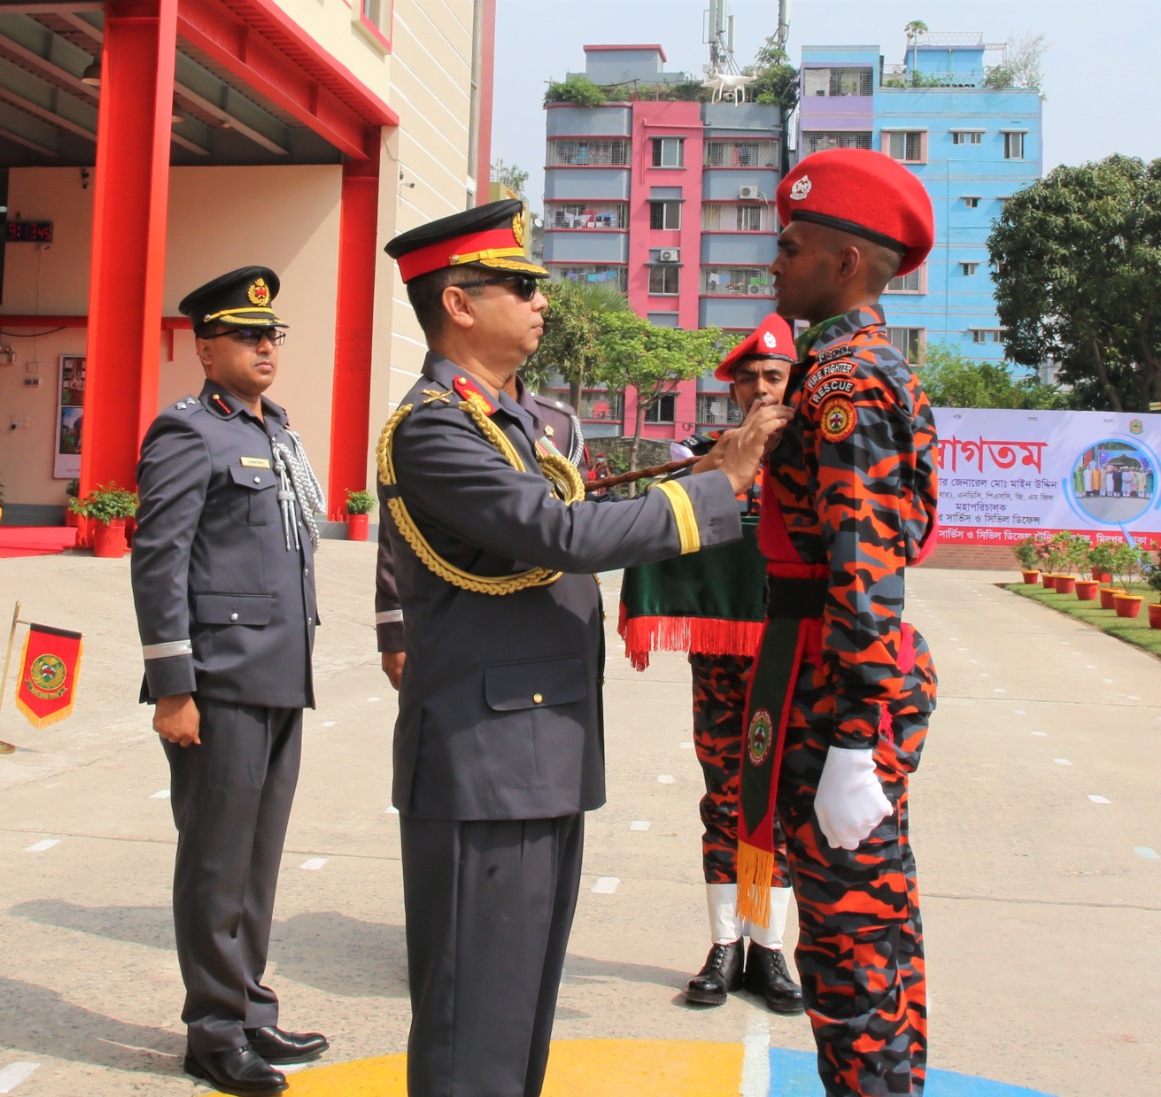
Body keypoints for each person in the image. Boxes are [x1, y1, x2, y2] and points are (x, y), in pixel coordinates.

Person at [379, 199, 791, 1097]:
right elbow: (558, 533)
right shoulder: (436, 426)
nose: (541, 301)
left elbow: (571, 515)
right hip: (487, 760)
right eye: (520, 286)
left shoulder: (506, 421)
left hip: (534, 750)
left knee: (518, 1017)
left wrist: (699, 477)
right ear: (459, 303)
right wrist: (720, 485)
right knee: (474, 1029)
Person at [753, 148, 940, 1097]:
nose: (776, 261)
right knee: (876, 932)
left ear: (847, 262)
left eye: (793, 247)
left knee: (851, 951)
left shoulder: (844, 385)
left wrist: (859, 736)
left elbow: (864, 564)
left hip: (839, 687)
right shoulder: (846, 369)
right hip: (835, 675)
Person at [131, 266, 328, 1097]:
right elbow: (159, 558)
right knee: (217, 861)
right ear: (205, 348)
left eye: (271, 334)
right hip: (218, 682)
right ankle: (213, 1030)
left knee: (257, 859)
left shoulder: (276, 430)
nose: (264, 347)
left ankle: (249, 1005)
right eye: (246, 335)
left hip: (280, 674)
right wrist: (172, 686)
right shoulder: (188, 432)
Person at [619, 315, 805, 1014]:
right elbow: (667, 522)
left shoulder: (818, 459)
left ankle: (770, 945)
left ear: (793, 383)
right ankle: (726, 943)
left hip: (794, 658)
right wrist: (716, 470)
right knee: (725, 795)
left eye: (773, 376)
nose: (760, 389)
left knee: (779, 800)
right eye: (748, 379)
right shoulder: (708, 458)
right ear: (731, 391)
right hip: (723, 660)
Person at [376, 380, 585, 689]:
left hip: (555, 621)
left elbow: (579, 510)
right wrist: (394, 630)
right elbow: (400, 530)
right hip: (469, 619)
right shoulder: (443, 413)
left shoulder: (558, 420)